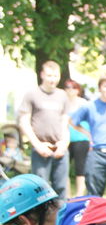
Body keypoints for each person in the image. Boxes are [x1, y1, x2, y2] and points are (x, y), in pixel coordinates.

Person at [18, 60, 71, 199]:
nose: (53, 79)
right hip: (40, 150)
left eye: (55, 76)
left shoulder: (62, 95)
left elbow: (65, 123)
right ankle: (41, 214)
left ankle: (60, 213)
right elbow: (24, 122)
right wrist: (38, 145)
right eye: (49, 75)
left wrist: (64, 145)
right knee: (40, 190)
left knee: (61, 189)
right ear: (42, 75)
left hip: (59, 150)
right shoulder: (32, 94)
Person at [71, 76, 106, 199]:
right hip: (96, 154)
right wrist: (87, 134)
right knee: (94, 194)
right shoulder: (90, 106)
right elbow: (72, 121)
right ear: (100, 88)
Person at [64, 79, 90, 197]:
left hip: (81, 139)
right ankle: (67, 194)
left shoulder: (84, 103)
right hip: (66, 139)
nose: (70, 90)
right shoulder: (63, 103)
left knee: (80, 168)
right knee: (65, 169)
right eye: (67, 87)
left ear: (78, 90)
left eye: (73, 87)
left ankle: (79, 194)